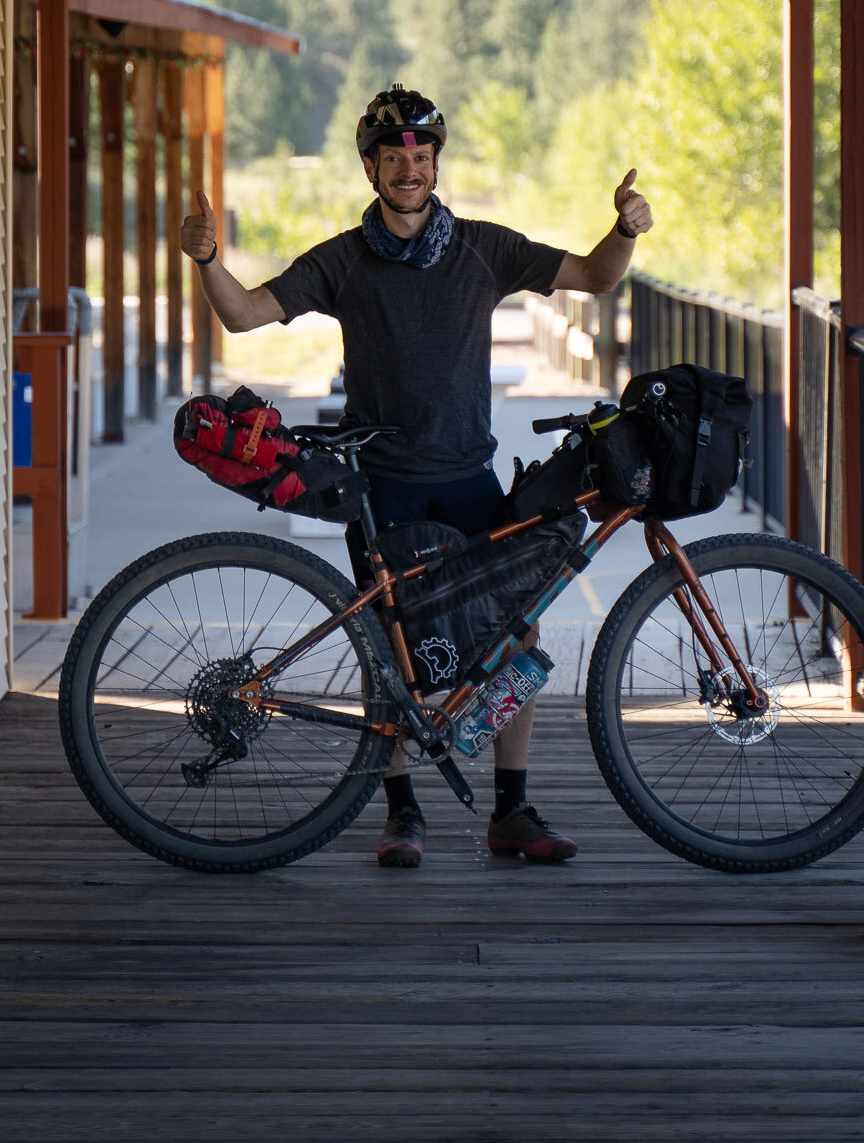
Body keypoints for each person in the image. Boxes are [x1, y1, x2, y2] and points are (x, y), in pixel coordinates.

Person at [179, 83, 653, 869]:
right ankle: (400, 812)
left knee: (515, 630)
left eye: (420, 157)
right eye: (393, 157)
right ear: (371, 169)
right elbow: (244, 313)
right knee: (384, 648)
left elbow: (596, 277)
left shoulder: (485, 248)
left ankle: (512, 809)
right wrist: (206, 260)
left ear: (436, 164)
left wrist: (624, 230)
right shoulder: (343, 259)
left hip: (468, 475)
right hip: (381, 481)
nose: (409, 169)